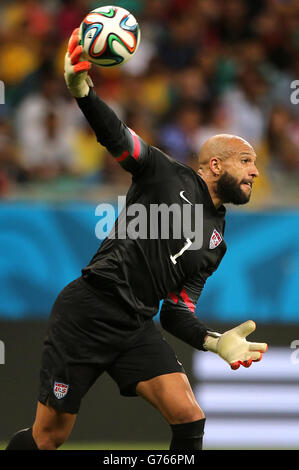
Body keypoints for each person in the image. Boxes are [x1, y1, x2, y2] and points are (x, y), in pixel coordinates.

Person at [6, 29, 268, 451]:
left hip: (136, 324)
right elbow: (117, 135)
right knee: (50, 435)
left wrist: (215, 342)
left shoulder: (217, 242)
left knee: (190, 418)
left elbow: (176, 313)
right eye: (246, 161)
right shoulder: (166, 174)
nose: (255, 171)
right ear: (215, 165)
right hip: (90, 310)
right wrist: (83, 91)